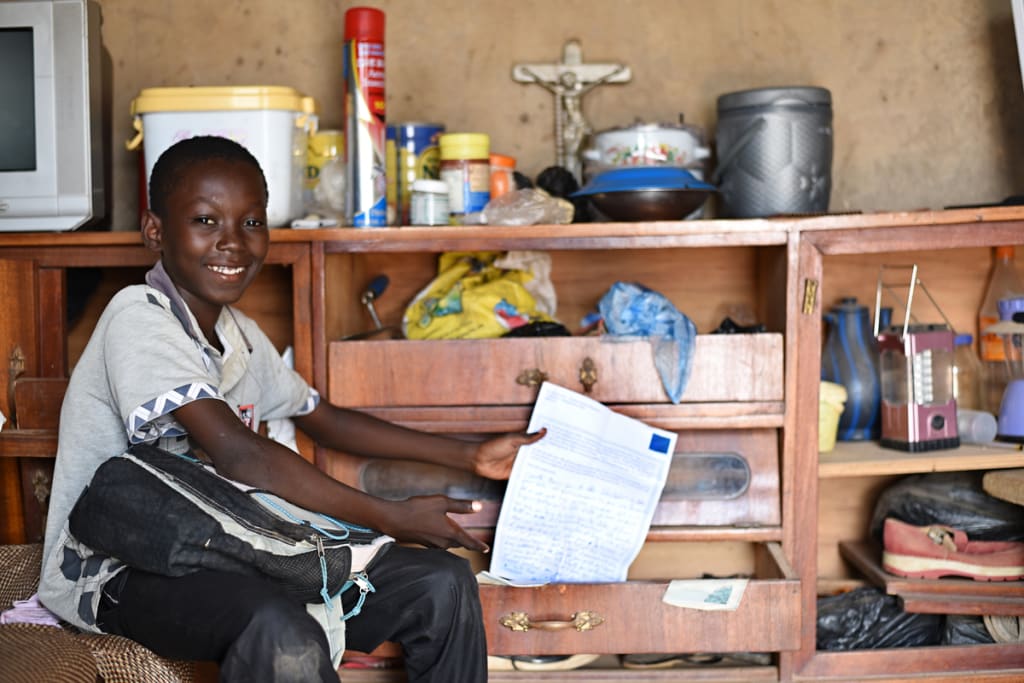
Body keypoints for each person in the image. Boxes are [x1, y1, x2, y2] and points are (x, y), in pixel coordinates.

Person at [39, 135, 544, 683]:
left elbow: (324, 419)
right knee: (279, 631)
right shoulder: (138, 317)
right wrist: (389, 515)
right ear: (155, 231)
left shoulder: (241, 338)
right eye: (206, 221)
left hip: (246, 545)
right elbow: (242, 456)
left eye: (251, 223)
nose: (232, 242)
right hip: (124, 565)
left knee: (442, 583)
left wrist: (471, 456)